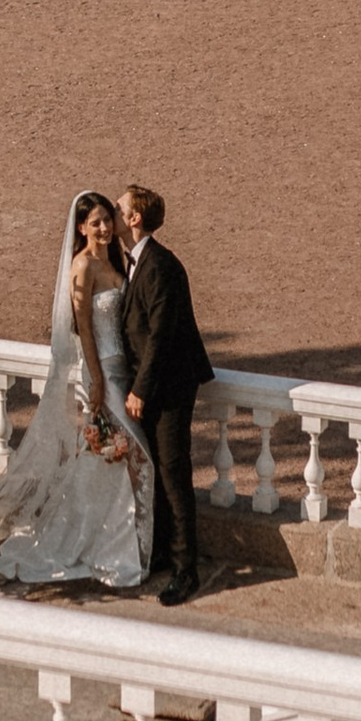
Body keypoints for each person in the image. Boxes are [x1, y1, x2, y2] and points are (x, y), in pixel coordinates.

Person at [0, 192, 151, 592]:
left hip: (124, 370)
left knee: (109, 466)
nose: (105, 227)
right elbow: (85, 328)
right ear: (81, 228)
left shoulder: (114, 261)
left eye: (108, 220)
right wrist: (97, 380)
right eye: (96, 223)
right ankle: (115, 547)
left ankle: (117, 542)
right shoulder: (82, 266)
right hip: (105, 377)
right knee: (131, 458)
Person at [120, 184, 214, 605]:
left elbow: (160, 336)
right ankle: (163, 552)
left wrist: (140, 389)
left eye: (120, 207)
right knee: (156, 471)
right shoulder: (138, 262)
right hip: (155, 383)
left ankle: (184, 569)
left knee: (173, 474)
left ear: (135, 218)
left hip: (169, 387)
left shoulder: (159, 265)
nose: (116, 210)